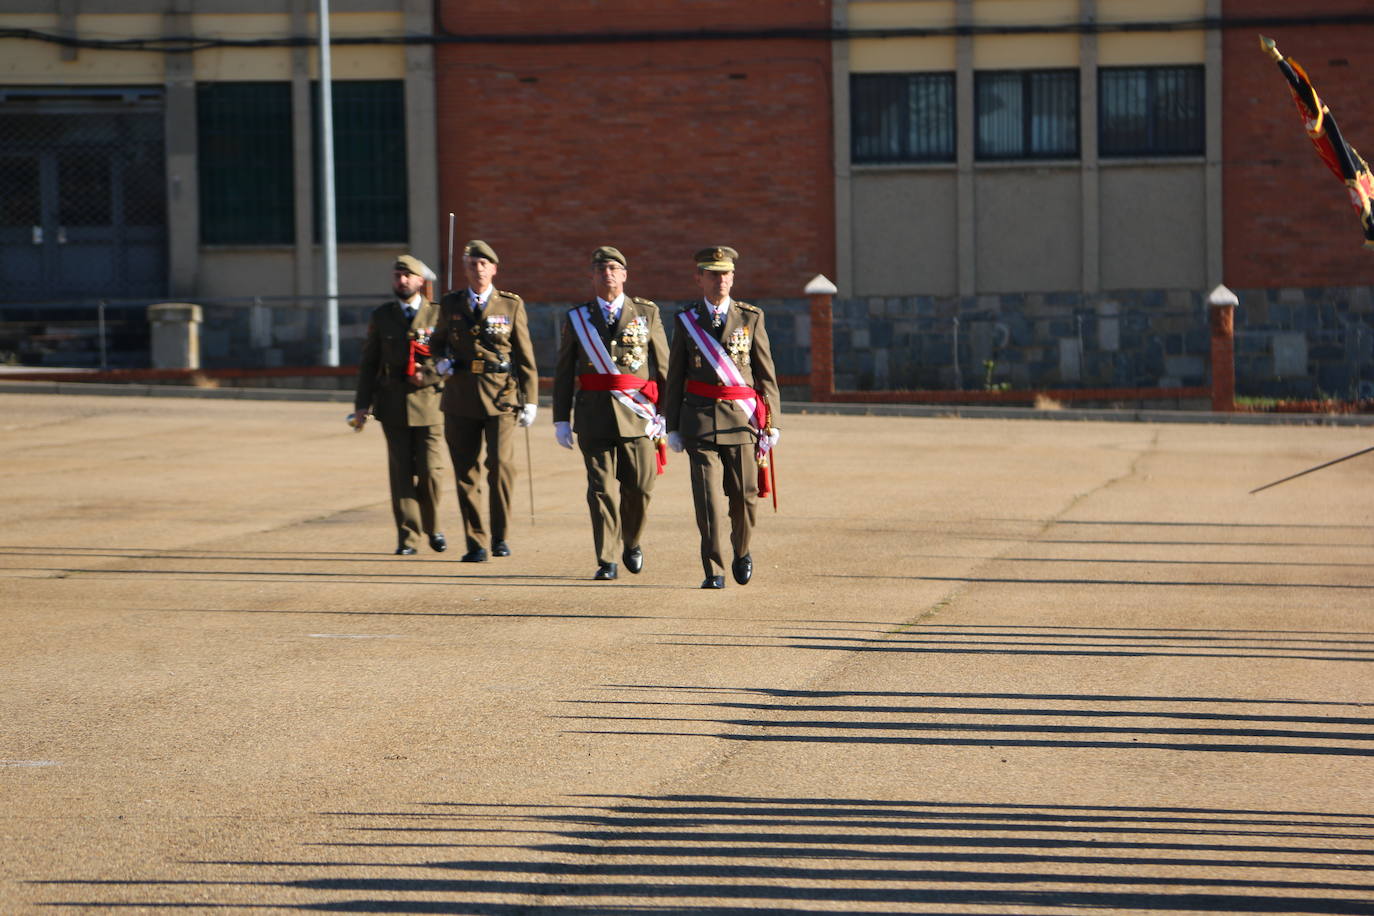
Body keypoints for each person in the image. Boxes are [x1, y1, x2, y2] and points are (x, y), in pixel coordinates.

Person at [664, 246, 781, 589]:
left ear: (733, 277)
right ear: (699, 278)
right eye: (713, 274)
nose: (720, 280)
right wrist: (672, 426)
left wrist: (772, 422)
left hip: (742, 421)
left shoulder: (750, 317)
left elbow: (766, 375)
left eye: (725, 274)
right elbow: (675, 376)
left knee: (743, 496)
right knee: (707, 500)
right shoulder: (686, 319)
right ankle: (713, 569)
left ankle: (741, 550)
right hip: (699, 420)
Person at [552, 246, 671, 581]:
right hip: (594, 415)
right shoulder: (578, 317)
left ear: (624, 275)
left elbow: (664, 367)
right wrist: (561, 417)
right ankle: (607, 559)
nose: (608, 274)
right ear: (592, 276)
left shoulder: (646, 313)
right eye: (601, 268)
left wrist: (666, 414)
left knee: (640, 488)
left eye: (614, 268)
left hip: (639, 417)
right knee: (600, 488)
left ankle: (631, 541)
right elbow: (564, 371)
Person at [432, 240, 539, 563]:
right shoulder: (450, 304)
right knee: (466, 473)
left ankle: (500, 536)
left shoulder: (510, 305)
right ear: (465, 269)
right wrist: (440, 362)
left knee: (501, 468)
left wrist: (530, 400)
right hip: (460, 397)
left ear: (494, 269)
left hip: (501, 398)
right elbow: (436, 343)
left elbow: (524, 356)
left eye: (483, 264)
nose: (477, 269)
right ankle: (475, 541)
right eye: (472, 264)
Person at [352, 254, 447, 556]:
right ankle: (408, 537)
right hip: (392, 403)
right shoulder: (382, 316)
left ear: (421, 281)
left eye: (408, 276)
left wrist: (428, 374)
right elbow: (369, 363)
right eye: (397, 276)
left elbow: (450, 357)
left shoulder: (439, 315)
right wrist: (361, 405)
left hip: (430, 404)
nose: (402, 281)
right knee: (401, 473)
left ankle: (433, 527)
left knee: (431, 471)